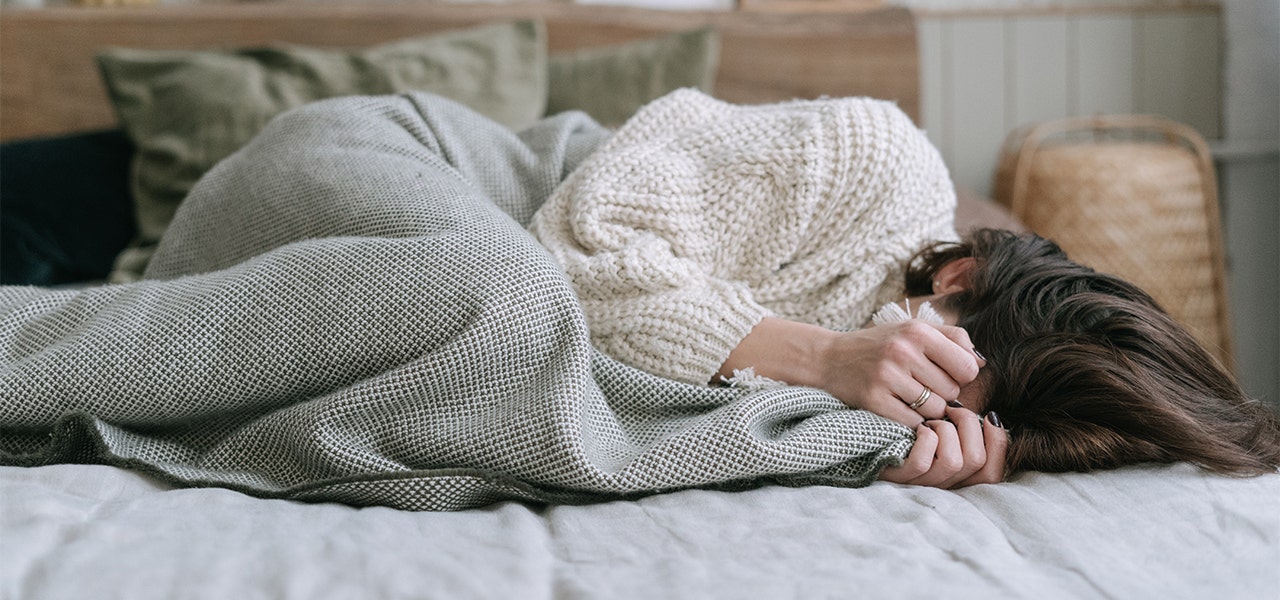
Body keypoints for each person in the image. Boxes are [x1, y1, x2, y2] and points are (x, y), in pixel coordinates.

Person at [530, 89, 1280, 489]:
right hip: (511, 181)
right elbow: (569, 271)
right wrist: (824, 358)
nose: (907, 395)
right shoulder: (868, 159)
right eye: (927, 374)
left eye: (932, 406)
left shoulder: (946, 418)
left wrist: (898, 453)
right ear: (958, 276)